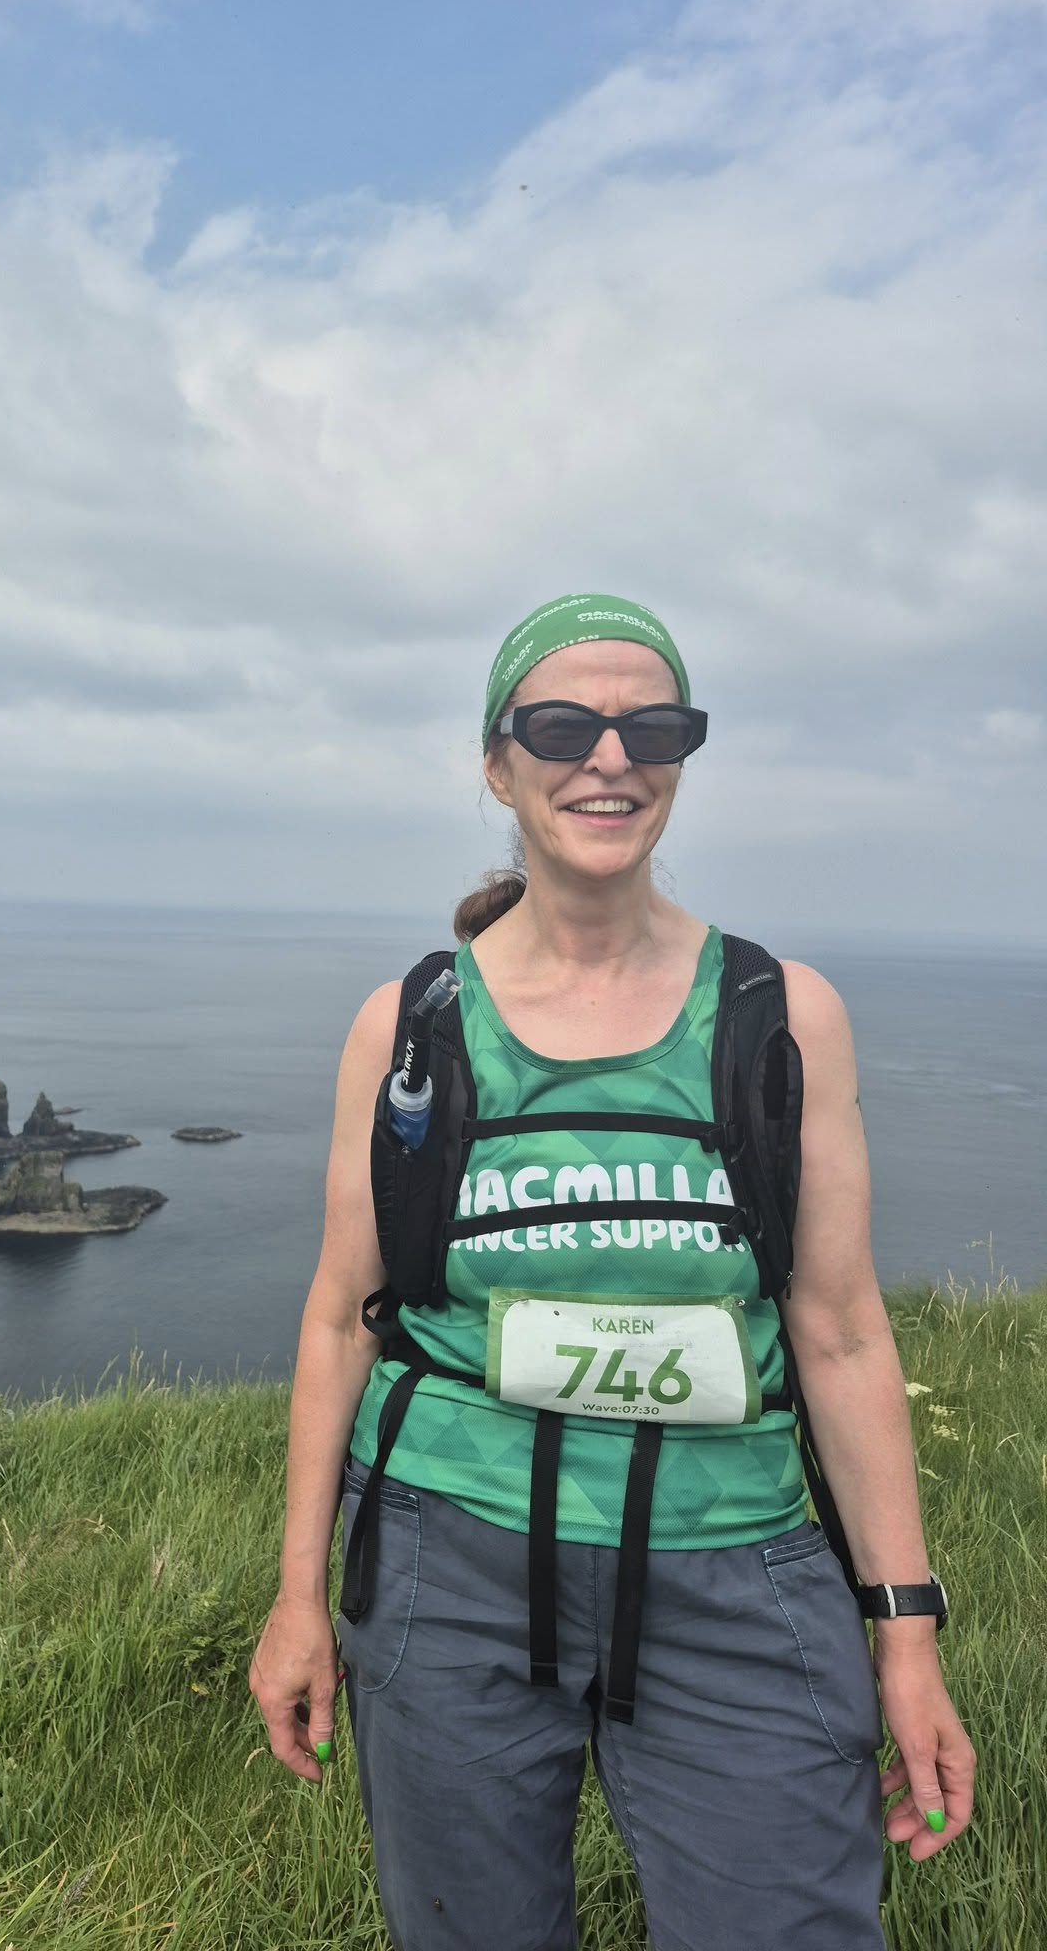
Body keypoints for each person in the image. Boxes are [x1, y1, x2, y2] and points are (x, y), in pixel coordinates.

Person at [249, 594, 975, 1951]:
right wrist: (298, 1596)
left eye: (654, 726)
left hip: (736, 1563)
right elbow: (347, 1321)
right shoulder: (411, 1025)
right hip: (442, 1563)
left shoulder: (779, 1016)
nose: (610, 756)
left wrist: (907, 1630)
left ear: (685, 758)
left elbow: (840, 1335)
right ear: (496, 761)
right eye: (563, 725)